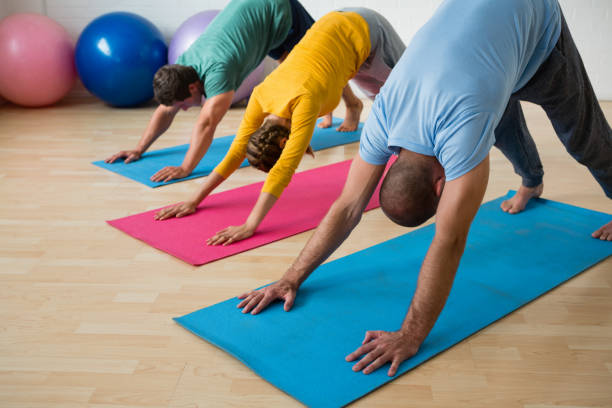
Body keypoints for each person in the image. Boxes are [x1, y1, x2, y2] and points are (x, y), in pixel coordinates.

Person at [234, 0, 612, 378]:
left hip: (535, 23)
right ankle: (532, 180)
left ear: (440, 184)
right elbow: (347, 205)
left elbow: (449, 241)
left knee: (583, 138)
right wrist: (290, 278)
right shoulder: (383, 117)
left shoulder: (462, 131)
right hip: (484, 53)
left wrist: (410, 334)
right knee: (496, 111)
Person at [155, 8, 406, 246]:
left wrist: (250, 225)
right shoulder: (261, 94)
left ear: (284, 142)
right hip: (336, 34)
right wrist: (193, 200)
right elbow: (236, 151)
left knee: (408, 88)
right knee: (389, 102)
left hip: (363, 27)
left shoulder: (304, 102)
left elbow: (284, 169)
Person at [104, 0, 315, 183]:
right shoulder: (183, 67)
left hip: (277, 8)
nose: (185, 109)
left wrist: (185, 168)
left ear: (193, 87)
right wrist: (139, 149)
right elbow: (165, 110)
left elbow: (206, 124)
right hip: (258, 17)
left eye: (184, 104)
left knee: (318, 57)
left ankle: (350, 106)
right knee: (287, 62)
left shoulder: (218, 74)